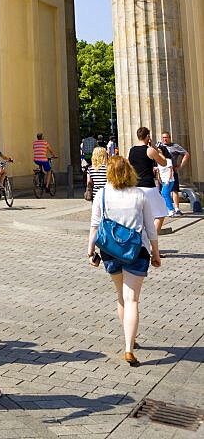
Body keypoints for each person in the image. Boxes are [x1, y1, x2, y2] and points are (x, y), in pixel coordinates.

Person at [88, 154, 161, 367]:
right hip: (136, 251)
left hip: (110, 251)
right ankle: (129, 347)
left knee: (121, 297)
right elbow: (151, 229)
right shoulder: (140, 195)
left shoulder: (101, 194)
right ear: (129, 171)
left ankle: (129, 338)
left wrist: (90, 251)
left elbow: (94, 226)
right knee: (132, 300)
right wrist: (156, 254)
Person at [128, 127, 169, 233]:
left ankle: (141, 242)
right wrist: (155, 147)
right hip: (148, 186)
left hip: (135, 187)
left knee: (139, 217)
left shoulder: (131, 150)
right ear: (148, 137)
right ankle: (152, 239)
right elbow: (164, 162)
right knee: (161, 212)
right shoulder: (149, 150)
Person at [160, 131, 190, 215]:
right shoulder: (159, 147)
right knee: (164, 191)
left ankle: (176, 209)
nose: (164, 139)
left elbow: (186, 154)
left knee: (174, 189)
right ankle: (167, 209)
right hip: (162, 172)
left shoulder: (175, 146)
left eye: (166, 137)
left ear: (169, 138)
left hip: (172, 171)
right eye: (163, 137)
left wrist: (180, 166)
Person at [155, 148, 176, 217]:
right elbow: (159, 171)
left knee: (164, 193)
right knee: (165, 194)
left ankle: (171, 209)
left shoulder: (168, 160)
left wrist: (168, 180)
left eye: (160, 151)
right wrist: (159, 178)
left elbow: (170, 170)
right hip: (163, 180)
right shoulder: (159, 161)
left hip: (169, 180)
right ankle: (168, 209)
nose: (159, 153)